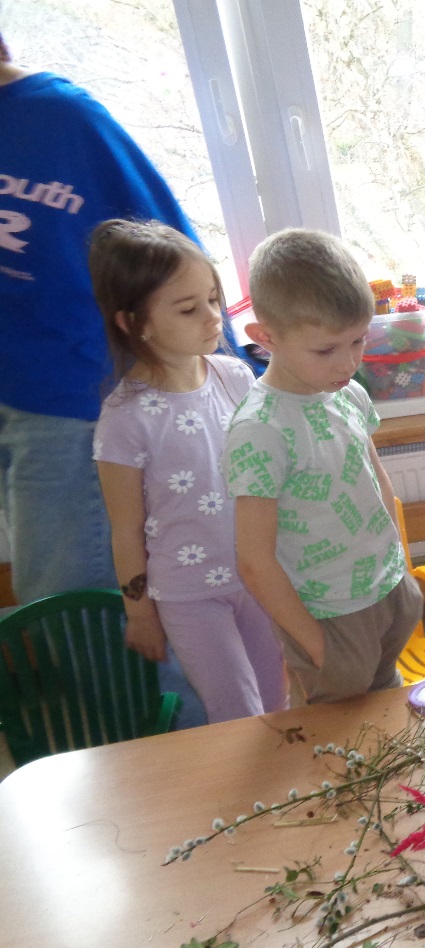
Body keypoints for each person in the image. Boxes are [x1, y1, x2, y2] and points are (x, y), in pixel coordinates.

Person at [0, 33, 206, 604]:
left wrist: (219, 375)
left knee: (64, 597)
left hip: (75, 399)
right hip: (11, 391)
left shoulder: (65, 120)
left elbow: (172, 255)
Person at [89, 219, 286, 723]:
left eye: (214, 300)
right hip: (189, 594)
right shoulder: (124, 418)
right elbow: (126, 529)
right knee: (237, 714)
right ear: (134, 323)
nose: (213, 317)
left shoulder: (236, 377)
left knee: (277, 703)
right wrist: (139, 612)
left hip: (257, 574)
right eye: (188, 308)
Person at [221, 228, 421, 704]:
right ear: (264, 338)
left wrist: (401, 570)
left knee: (385, 703)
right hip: (327, 613)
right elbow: (254, 560)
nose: (349, 363)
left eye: (358, 341)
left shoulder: (348, 393)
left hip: (388, 589)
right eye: (327, 349)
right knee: (337, 728)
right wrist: (314, 645)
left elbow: (378, 481)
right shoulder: (259, 429)